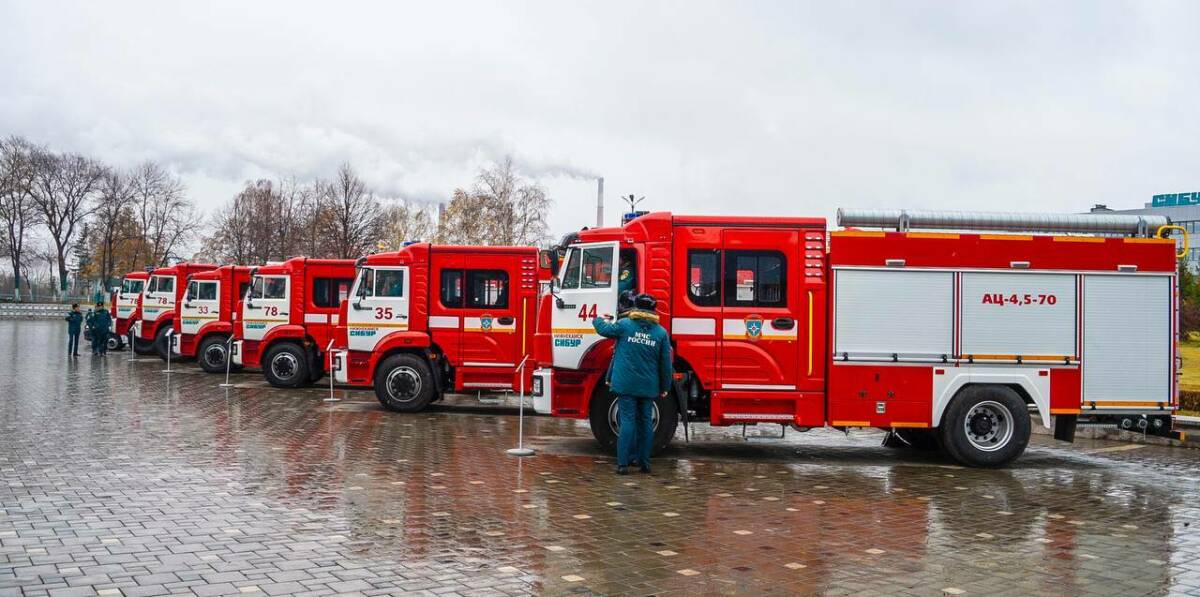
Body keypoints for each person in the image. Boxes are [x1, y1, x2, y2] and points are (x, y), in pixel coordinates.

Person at [592, 293, 673, 475]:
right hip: (648, 386)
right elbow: (665, 364)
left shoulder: (625, 325)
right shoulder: (660, 333)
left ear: (636, 308)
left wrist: (597, 319)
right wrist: (665, 387)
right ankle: (644, 463)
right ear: (653, 310)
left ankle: (622, 464)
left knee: (627, 421)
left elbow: (604, 330)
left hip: (626, 384)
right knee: (645, 423)